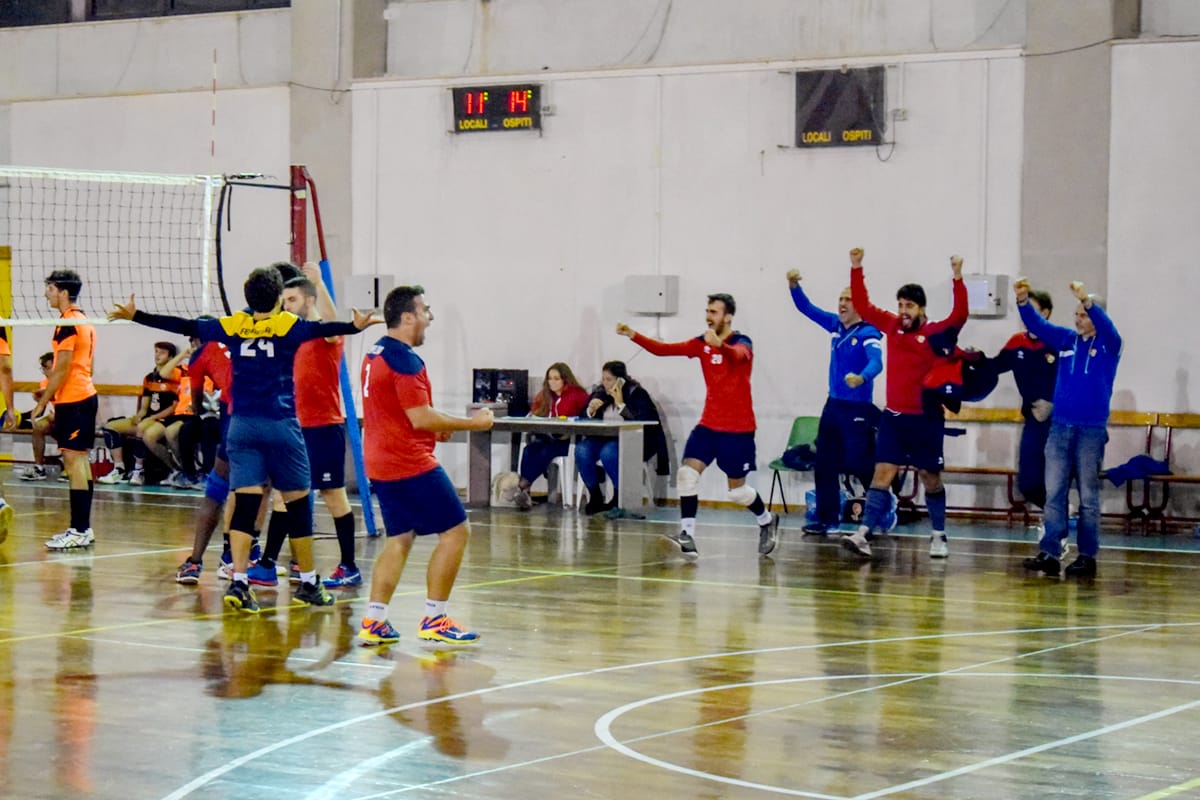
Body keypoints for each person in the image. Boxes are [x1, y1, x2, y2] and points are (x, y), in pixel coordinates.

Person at [108, 264, 379, 613]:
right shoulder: (288, 325)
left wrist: (136, 315)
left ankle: (239, 581)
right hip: (280, 424)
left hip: (241, 426)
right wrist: (354, 326)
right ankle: (309, 583)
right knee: (297, 503)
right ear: (279, 298)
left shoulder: (233, 325)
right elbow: (326, 329)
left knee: (245, 504)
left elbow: (186, 325)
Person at [357, 285, 494, 646]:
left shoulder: (375, 353)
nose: (429, 319)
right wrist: (473, 424)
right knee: (456, 531)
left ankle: (374, 620)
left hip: (379, 459)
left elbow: (398, 412)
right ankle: (435, 617)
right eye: (425, 311)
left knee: (399, 538)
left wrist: (437, 426)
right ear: (407, 317)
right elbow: (420, 417)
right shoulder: (405, 359)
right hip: (408, 462)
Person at [617, 292, 778, 558]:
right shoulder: (701, 343)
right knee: (687, 475)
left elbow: (739, 356)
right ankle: (688, 536)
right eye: (707, 311)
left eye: (714, 312)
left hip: (738, 430)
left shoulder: (742, 341)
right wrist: (633, 334)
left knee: (737, 493)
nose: (708, 316)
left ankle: (766, 521)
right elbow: (664, 349)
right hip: (709, 426)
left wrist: (721, 346)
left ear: (727, 317)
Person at [840, 248, 968, 559]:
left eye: (909, 306)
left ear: (921, 308)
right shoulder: (892, 327)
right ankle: (863, 534)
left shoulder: (933, 332)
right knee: (882, 473)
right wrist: (856, 267)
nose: (903, 311)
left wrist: (958, 278)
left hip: (925, 418)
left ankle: (939, 535)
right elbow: (866, 307)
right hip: (894, 419)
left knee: (930, 477)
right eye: (900, 305)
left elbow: (959, 315)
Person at [250, 266, 361, 589]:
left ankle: (349, 566)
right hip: (295, 427)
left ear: (308, 300)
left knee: (333, 496)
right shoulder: (292, 336)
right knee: (286, 498)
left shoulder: (325, 334)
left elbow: (330, 319)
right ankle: (270, 564)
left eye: (292, 299)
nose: (286, 305)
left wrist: (319, 282)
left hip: (323, 427)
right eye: (283, 300)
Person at [1018, 278, 1121, 578]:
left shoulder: (1109, 345)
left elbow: (1109, 327)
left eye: (1084, 314)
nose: (1078, 319)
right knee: (1054, 493)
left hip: (1090, 431)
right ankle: (1051, 551)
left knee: (1088, 496)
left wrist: (1088, 301)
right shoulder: (1065, 341)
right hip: (1060, 429)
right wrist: (1023, 301)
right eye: (1076, 314)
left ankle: (1087, 555)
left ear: (1097, 317)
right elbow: (1038, 326)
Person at [786, 269, 883, 536]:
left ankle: (879, 513)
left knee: (859, 464)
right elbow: (807, 309)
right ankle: (827, 519)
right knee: (825, 463)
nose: (842, 304)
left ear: (860, 305)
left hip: (857, 409)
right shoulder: (836, 326)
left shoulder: (868, 332)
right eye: (840, 298)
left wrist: (862, 378)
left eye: (848, 299)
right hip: (833, 406)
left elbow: (877, 362)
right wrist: (794, 286)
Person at [36, 270, 99, 550]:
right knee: (81, 463)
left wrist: (42, 402)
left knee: (74, 464)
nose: (46, 293)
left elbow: (61, 368)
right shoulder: (84, 319)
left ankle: (79, 529)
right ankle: (82, 529)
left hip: (74, 400)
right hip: (83, 396)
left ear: (62, 292)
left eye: (50, 289)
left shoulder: (68, 323)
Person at [992, 288, 1059, 526]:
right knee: (1028, 482)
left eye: (1032, 310)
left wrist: (1054, 404)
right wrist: (970, 360)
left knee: (1056, 477)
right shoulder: (1016, 342)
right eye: (1024, 311)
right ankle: (1060, 511)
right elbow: (993, 367)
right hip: (1033, 419)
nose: (1026, 316)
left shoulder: (1058, 341)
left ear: (1046, 313)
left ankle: (1055, 530)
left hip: (1059, 421)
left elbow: (1074, 383)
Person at [173, 332, 235, 585]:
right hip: (278, 418)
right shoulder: (241, 341)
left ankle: (196, 562)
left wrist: (201, 412)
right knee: (273, 494)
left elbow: (196, 402)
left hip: (236, 417)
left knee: (219, 489)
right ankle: (297, 568)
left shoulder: (203, 353)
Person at [575, 360, 668, 516]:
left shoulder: (636, 393)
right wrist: (590, 410)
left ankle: (619, 497)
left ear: (620, 379)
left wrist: (621, 405)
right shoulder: (599, 392)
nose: (605, 383)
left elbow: (642, 422)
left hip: (632, 441)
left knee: (609, 452)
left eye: (609, 379)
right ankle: (595, 495)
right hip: (602, 438)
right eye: (603, 379)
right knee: (582, 449)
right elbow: (582, 416)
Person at [502, 362, 589, 510]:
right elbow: (533, 413)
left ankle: (522, 485)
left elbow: (585, 417)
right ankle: (526, 491)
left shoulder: (577, 395)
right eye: (550, 378)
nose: (552, 382)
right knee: (530, 449)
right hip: (547, 437)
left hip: (568, 440)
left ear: (565, 379)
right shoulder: (545, 395)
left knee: (545, 451)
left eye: (556, 378)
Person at [97, 342, 186, 485]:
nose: (157, 355)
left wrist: (151, 418)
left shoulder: (175, 376)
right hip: (148, 418)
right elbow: (145, 405)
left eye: (162, 353)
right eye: (156, 352)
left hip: (163, 420)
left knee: (143, 429)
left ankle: (138, 471)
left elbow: (173, 407)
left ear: (170, 357)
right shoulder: (149, 378)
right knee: (110, 427)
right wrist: (139, 415)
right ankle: (119, 470)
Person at [17, 352, 55, 482]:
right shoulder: (44, 382)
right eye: (43, 368)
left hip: (70, 416)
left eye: (47, 368)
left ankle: (68, 467)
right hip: (54, 417)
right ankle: (39, 467)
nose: (44, 371)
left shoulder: (65, 379)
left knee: (63, 424)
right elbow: (42, 407)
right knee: (38, 427)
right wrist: (19, 417)